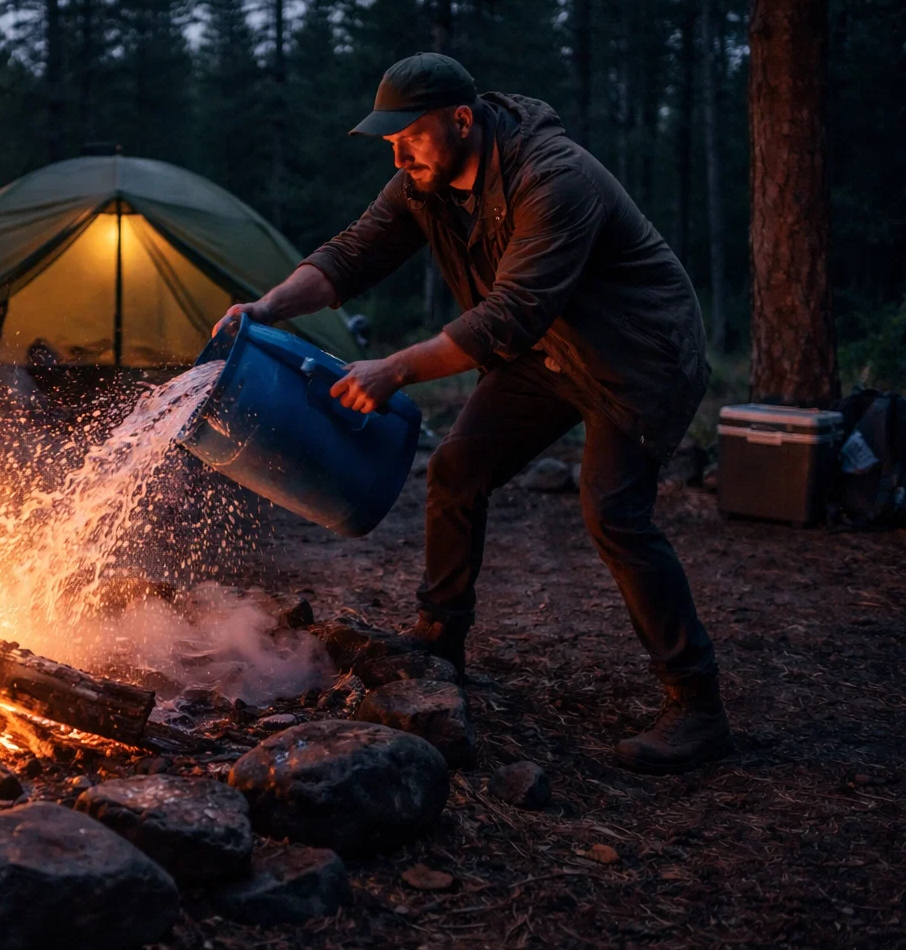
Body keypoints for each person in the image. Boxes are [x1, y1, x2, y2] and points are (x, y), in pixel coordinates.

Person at [216, 52, 729, 774]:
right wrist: (266, 308)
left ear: (463, 119)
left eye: (410, 136)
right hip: (548, 352)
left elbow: (511, 314)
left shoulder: (555, 178)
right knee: (458, 469)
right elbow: (352, 256)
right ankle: (440, 636)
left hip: (638, 357)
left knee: (614, 511)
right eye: (388, 140)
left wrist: (396, 368)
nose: (397, 153)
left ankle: (698, 706)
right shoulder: (422, 183)